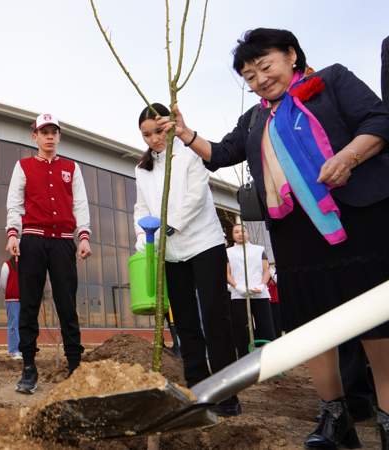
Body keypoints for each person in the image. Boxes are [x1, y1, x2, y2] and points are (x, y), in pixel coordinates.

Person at [161, 28, 389, 448]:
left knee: (374, 323)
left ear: (291, 55)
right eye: (249, 75)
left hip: (356, 220)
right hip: (296, 234)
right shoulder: (254, 119)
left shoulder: (332, 82)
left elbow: (379, 119)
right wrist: (186, 134)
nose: (260, 79)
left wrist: (349, 155)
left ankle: (388, 418)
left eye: (265, 66)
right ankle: (334, 417)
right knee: (313, 326)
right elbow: (223, 153)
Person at [133, 103, 240, 416]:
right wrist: (144, 237)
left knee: (215, 317)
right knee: (185, 322)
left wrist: (169, 224)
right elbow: (140, 207)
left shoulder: (190, 152)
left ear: (170, 125)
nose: (153, 139)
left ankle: (226, 392)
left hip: (204, 244)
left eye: (157, 131)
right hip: (171, 253)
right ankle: (198, 387)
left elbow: (195, 196)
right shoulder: (142, 168)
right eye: (146, 134)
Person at [6, 113, 92, 394]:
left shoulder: (71, 167)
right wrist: (13, 235)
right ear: (35, 137)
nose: (50, 136)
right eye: (44, 132)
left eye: (54, 131)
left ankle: (75, 365)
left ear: (59, 136)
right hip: (32, 240)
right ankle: (29, 367)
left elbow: (80, 204)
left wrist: (83, 237)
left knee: (67, 304)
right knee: (29, 304)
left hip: (63, 242)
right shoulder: (23, 166)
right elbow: (15, 204)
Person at [226, 224, 276, 358]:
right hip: (239, 295)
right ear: (232, 235)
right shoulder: (228, 252)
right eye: (236, 232)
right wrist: (237, 287)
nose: (240, 233)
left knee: (265, 326)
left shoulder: (259, 250)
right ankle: (244, 358)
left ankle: (268, 357)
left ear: (247, 233)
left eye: (242, 231)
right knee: (242, 329)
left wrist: (261, 285)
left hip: (259, 293)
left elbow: (266, 271)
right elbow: (227, 274)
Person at [0, 257, 22, 360]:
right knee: (14, 324)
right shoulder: (7, 265)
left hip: (24, 299)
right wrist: (9, 292)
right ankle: (14, 350)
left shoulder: (27, 263)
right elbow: (3, 283)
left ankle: (22, 349)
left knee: (22, 324)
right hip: (12, 299)